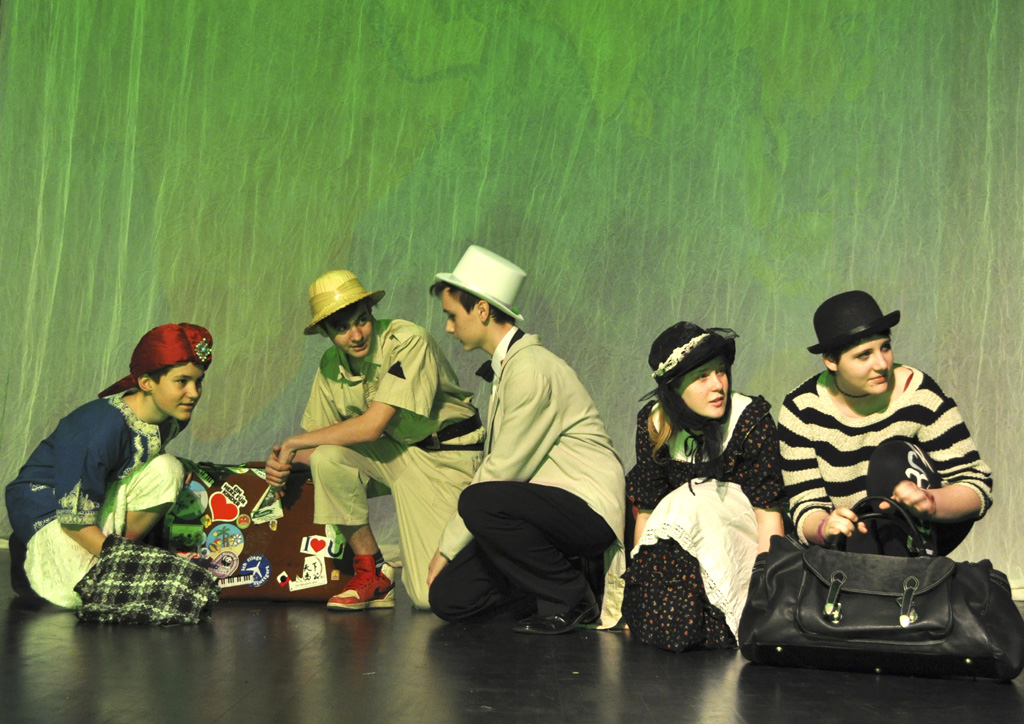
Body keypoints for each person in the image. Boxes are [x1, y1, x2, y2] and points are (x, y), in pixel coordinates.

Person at [426, 245, 626, 635]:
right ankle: (556, 584)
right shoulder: (512, 367)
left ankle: (573, 598)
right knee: (449, 597)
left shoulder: (531, 368)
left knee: (478, 501)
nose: (448, 327)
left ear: (481, 310)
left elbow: (503, 470)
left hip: (586, 509)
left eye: (452, 316)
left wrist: (446, 548)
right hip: (544, 513)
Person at [265, 270, 485, 611]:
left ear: (371, 313)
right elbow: (316, 449)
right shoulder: (330, 365)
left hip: (446, 456)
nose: (356, 335)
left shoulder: (408, 341)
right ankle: (373, 573)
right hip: (396, 453)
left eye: (361, 320)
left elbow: (371, 427)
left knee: (431, 596)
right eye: (341, 327)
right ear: (324, 332)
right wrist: (284, 461)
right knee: (326, 458)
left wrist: (294, 443)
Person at [5, 323, 214, 609]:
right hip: (51, 505)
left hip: (97, 496)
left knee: (169, 468)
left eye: (198, 381)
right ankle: (30, 554)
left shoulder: (174, 416)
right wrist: (128, 567)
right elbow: (73, 518)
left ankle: (115, 554)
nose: (194, 393)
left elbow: (143, 454)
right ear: (146, 382)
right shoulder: (100, 429)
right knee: (80, 593)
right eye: (182, 382)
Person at [778, 290, 993, 555]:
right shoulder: (802, 408)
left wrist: (930, 501)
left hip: (919, 541)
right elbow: (805, 505)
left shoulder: (918, 394)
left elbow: (976, 486)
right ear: (831, 361)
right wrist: (825, 527)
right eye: (864, 355)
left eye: (885, 347)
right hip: (846, 553)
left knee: (891, 460)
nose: (881, 364)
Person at [622, 322, 786, 651]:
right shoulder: (654, 423)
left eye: (720, 371)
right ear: (674, 388)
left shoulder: (749, 419)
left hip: (739, 542)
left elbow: (768, 513)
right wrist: (637, 588)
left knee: (694, 499)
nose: (718, 385)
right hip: (681, 550)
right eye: (702, 377)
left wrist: (767, 594)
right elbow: (648, 513)